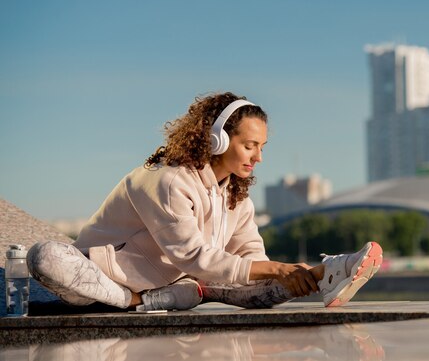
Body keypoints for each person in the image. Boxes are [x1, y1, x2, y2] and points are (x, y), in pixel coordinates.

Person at [27, 92, 383, 311]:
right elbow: (192, 255)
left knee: (257, 282)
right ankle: (134, 302)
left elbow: (250, 257)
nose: (258, 157)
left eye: (262, 147)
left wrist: (291, 273)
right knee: (44, 255)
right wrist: (276, 269)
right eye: (250, 146)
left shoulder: (235, 195)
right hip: (98, 281)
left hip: (180, 285)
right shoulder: (166, 179)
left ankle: (328, 274)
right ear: (217, 141)